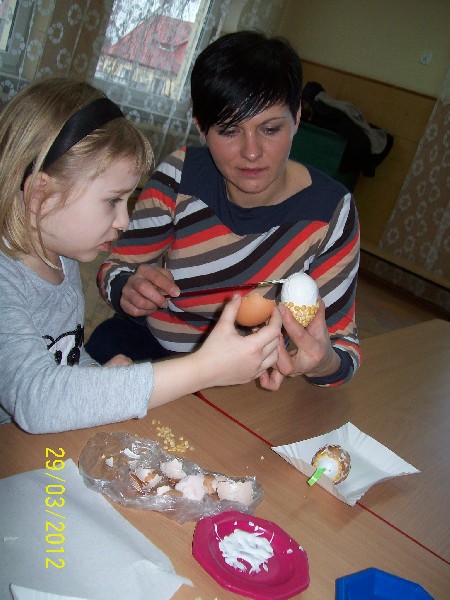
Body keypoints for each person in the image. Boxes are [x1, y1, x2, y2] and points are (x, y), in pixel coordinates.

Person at [0, 77, 283, 434]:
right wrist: (204, 368)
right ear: (40, 195)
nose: (124, 220)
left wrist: (93, 377)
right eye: (113, 200)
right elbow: (36, 401)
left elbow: (60, 354)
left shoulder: (58, 258)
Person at [87, 30, 361, 391]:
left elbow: (343, 348)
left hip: (246, 374)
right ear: (201, 127)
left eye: (270, 129)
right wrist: (128, 288)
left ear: (297, 118)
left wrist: (323, 361)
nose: (252, 152)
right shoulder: (179, 176)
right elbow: (115, 268)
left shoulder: (330, 210)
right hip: (152, 349)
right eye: (230, 131)